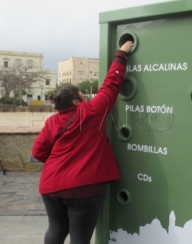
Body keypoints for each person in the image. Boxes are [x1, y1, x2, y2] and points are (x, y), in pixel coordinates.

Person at [32, 41, 134, 244]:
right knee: (80, 238)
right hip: (84, 188)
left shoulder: (52, 121)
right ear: (77, 101)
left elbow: (38, 151)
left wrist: (59, 161)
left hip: (51, 186)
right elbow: (110, 87)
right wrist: (120, 55)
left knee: (56, 231)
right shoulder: (91, 113)